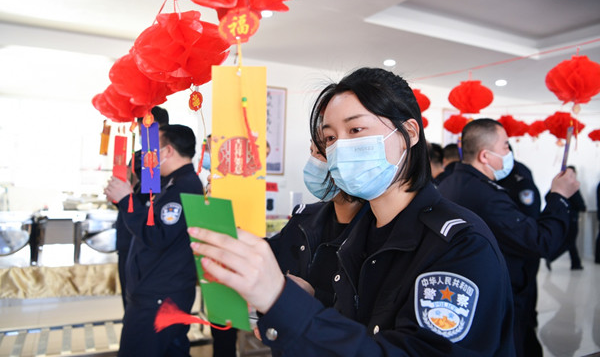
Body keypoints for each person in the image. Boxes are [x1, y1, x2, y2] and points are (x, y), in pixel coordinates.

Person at [189, 68, 515, 356]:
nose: (339, 147)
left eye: (355, 130)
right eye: (329, 137)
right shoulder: (356, 234)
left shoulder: (461, 246)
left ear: (409, 133)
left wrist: (283, 302)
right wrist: (310, 300)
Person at [437, 118, 580, 357]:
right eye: (504, 146)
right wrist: (560, 196)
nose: (508, 152)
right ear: (485, 156)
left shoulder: (449, 184)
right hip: (497, 300)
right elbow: (541, 241)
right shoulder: (487, 196)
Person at [105, 124, 202, 357]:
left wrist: (126, 199)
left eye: (153, 148)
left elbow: (157, 235)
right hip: (160, 292)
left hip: (159, 296)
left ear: (167, 151)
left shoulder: (184, 186)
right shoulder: (170, 183)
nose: (147, 154)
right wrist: (127, 196)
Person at [267, 141, 369, 307]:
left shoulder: (378, 230)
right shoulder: (303, 219)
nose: (312, 162)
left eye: (320, 152)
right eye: (311, 151)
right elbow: (267, 254)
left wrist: (315, 296)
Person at [115, 106, 169, 309]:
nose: (144, 138)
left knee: (142, 305)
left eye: (149, 132)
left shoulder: (166, 162)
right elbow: (131, 193)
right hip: (127, 234)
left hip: (147, 240)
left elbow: (152, 195)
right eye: (141, 133)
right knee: (129, 303)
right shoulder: (136, 157)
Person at [548, 166, 586, 270]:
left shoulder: (559, 187)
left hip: (564, 218)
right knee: (569, 242)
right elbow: (580, 205)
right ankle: (551, 257)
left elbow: (549, 197)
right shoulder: (571, 188)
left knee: (570, 243)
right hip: (572, 219)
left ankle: (576, 263)